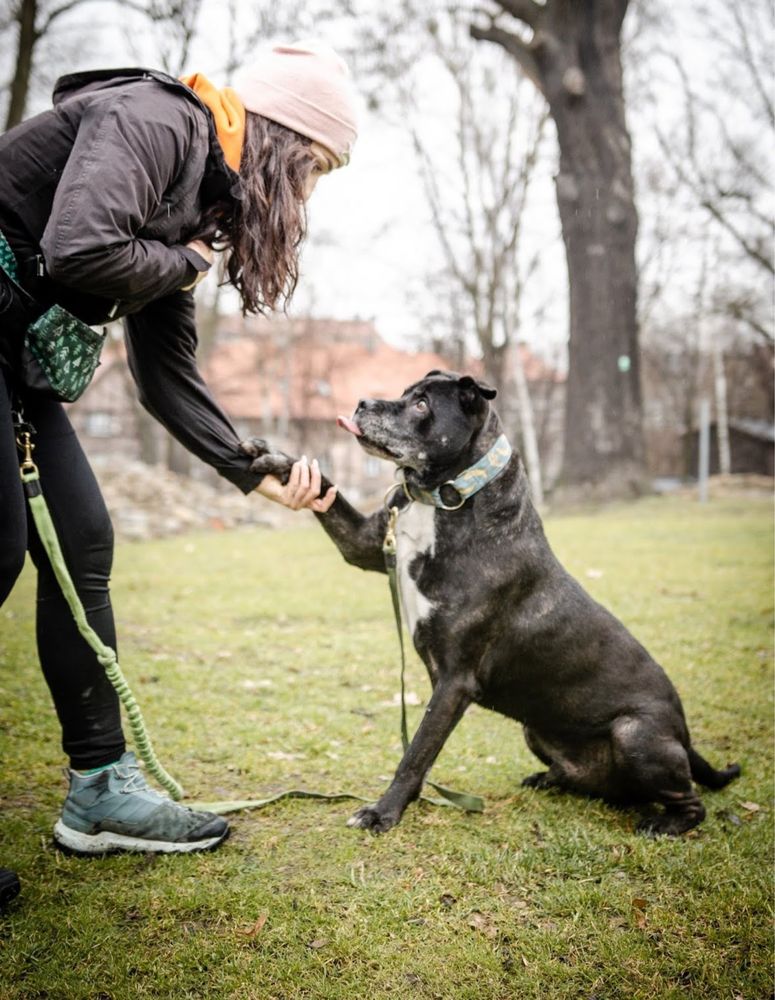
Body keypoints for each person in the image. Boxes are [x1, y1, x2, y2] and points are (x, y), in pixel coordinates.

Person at [0, 42, 355, 857]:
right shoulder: (157, 119)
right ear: (279, 138)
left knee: (81, 539)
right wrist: (186, 262)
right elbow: (80, 248)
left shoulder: (198, 200)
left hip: (13, 351)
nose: (303, 192)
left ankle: (99, 790)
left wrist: (250, 469)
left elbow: (165, 379)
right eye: (313, 168)